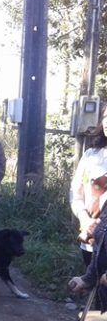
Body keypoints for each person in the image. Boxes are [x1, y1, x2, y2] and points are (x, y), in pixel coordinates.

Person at [71, 108, 107, 267]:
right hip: (91, 238)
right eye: (106, 116)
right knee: (92, 284)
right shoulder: (91, 155)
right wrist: (84, 219)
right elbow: (76, 192)